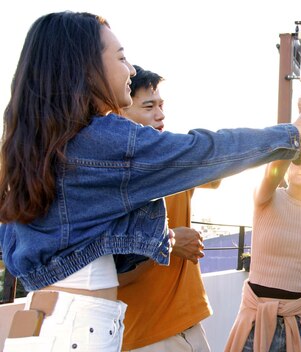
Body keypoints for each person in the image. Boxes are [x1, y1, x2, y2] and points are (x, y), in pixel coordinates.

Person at [0, 11, 301, 351]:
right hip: (84, 331)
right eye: (121, 57)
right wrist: (295, 130)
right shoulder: (104, 144)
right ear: (86, 68)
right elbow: (206, 153)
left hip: (53, 323)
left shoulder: (40, 145)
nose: (130, 69)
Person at [117, 65, 214, 351]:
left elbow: (227, 163)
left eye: (161, 105)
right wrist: (169, 241)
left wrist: (298, 123)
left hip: (191, 323)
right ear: (120, 110)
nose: (160, 115)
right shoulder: (112, 175)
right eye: (149, 106)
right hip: (145, 334)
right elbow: (110, 266)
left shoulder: (174, 159)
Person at [225, 136, 301, 351]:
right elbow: (270, 172)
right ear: (287, 164)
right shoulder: (266, 198)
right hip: (257, 319)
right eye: (298, 157)